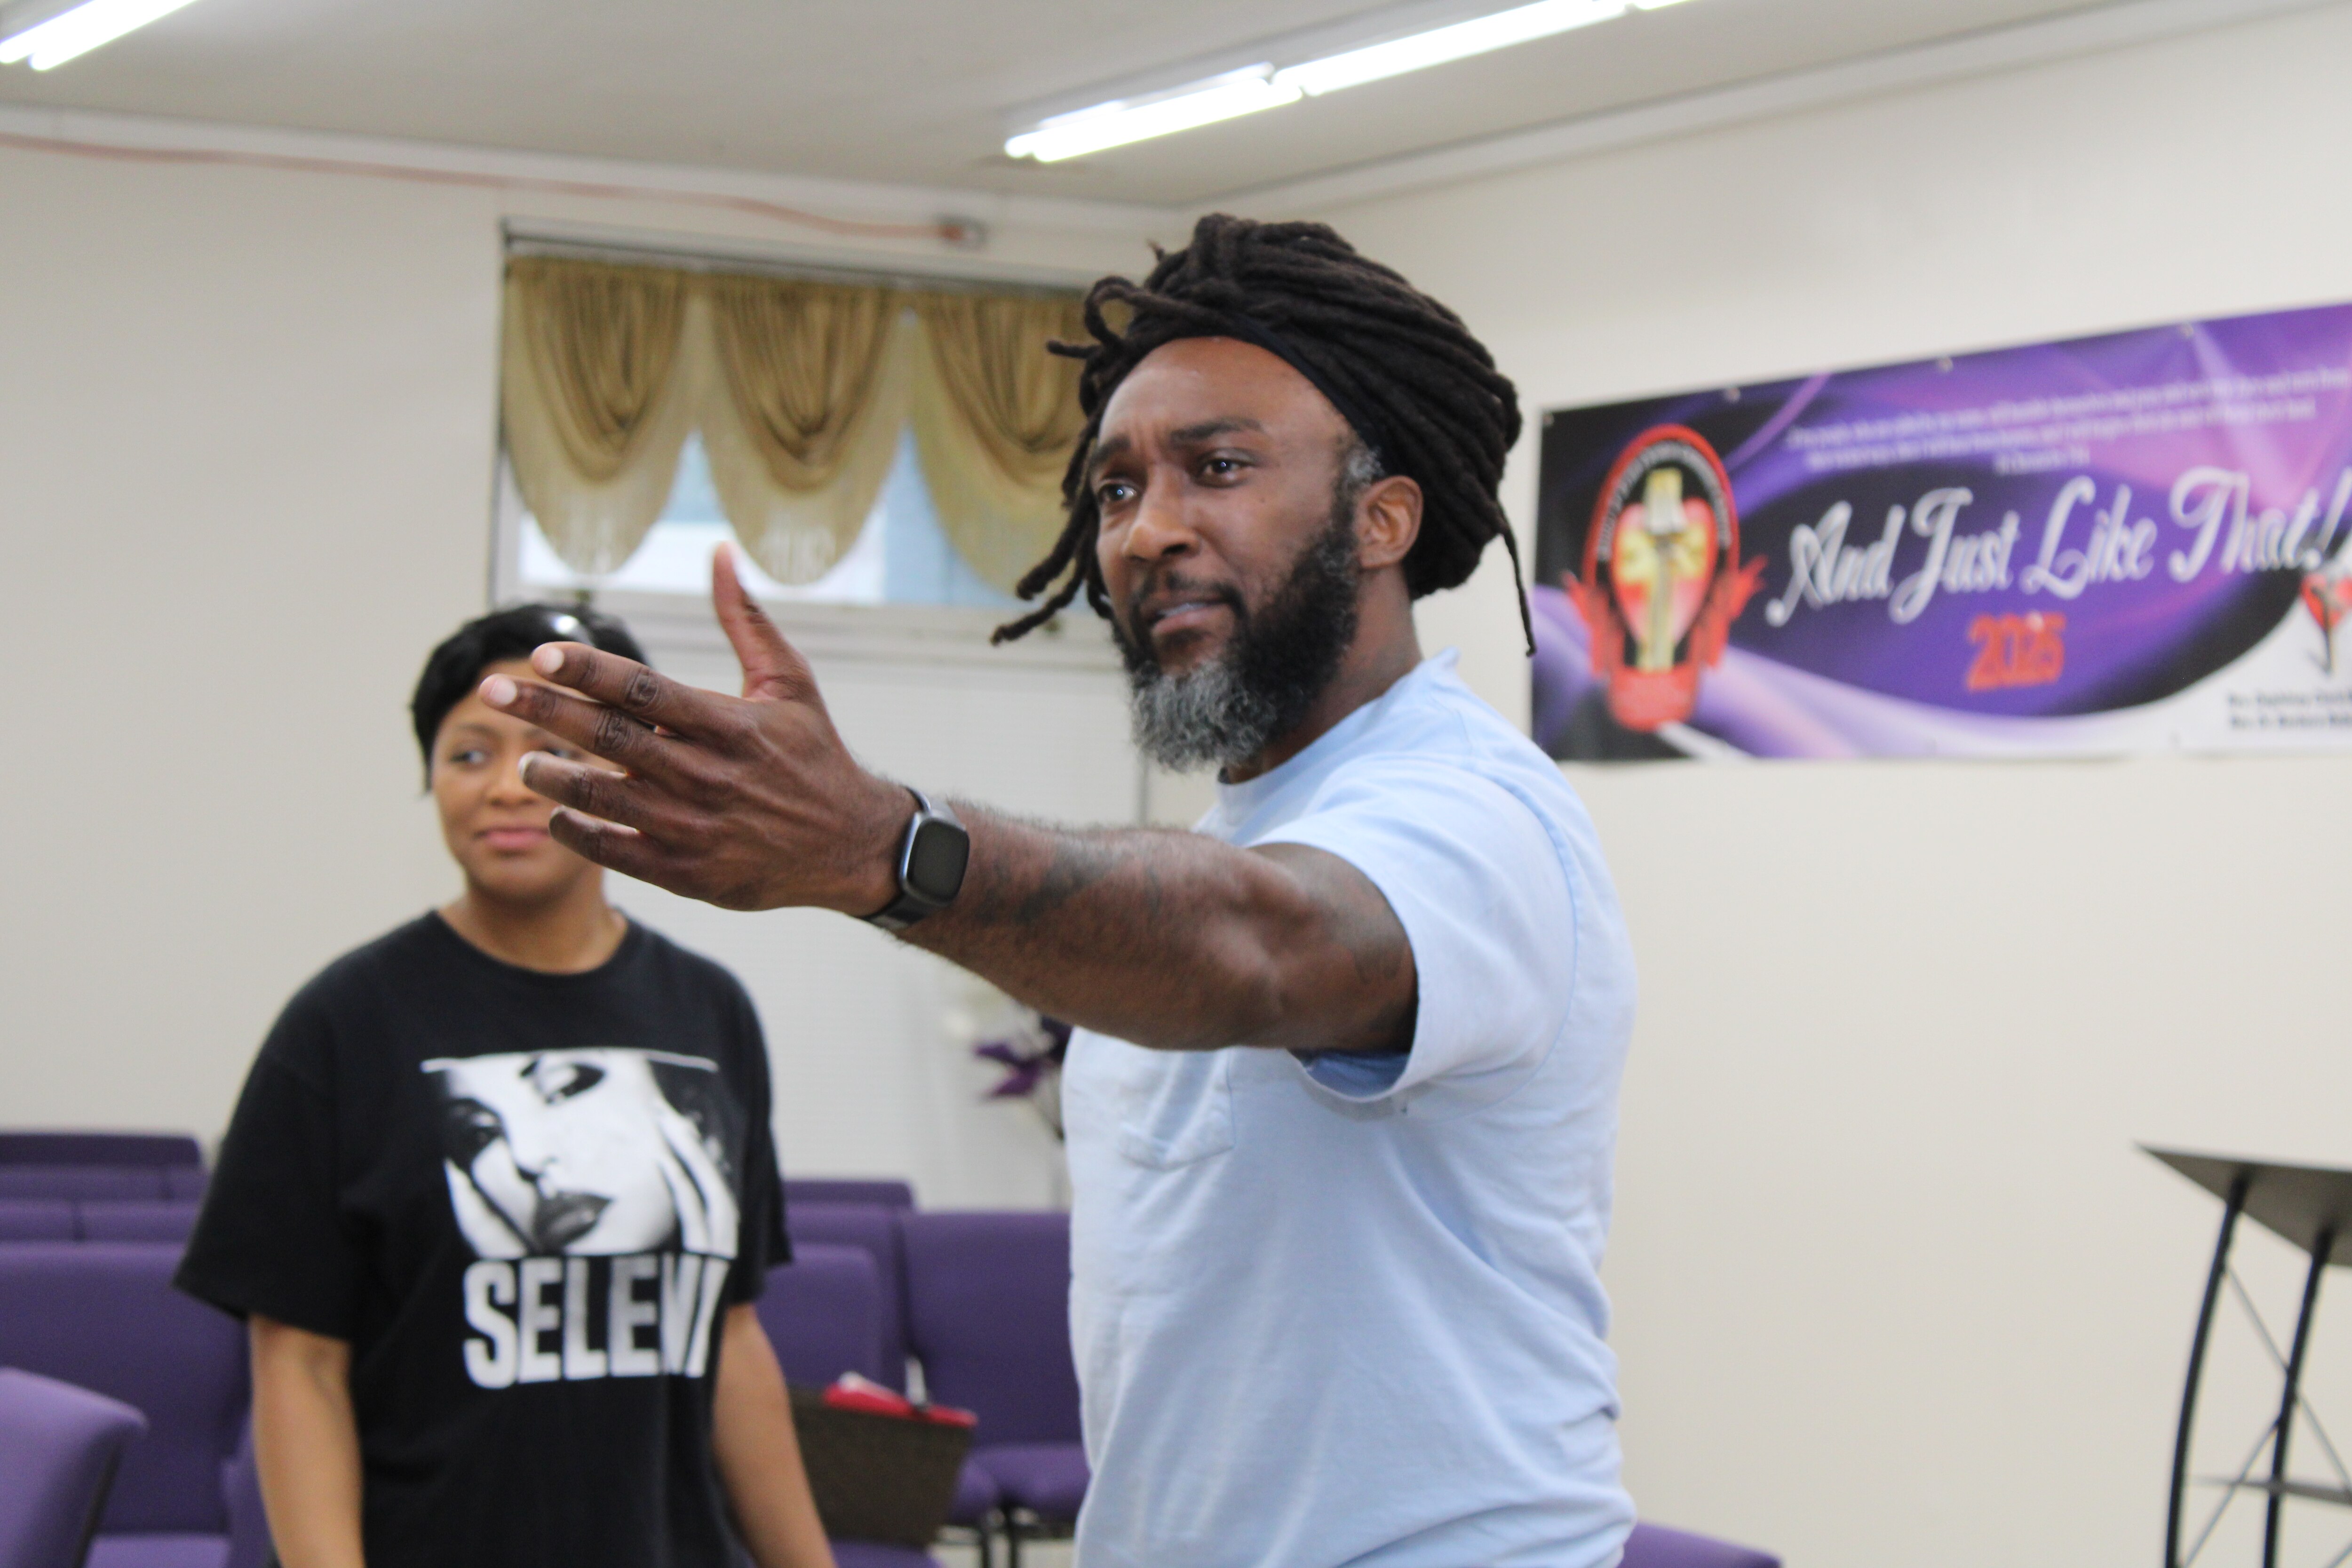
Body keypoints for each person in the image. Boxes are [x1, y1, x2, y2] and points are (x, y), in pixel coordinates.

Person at [485, 215, 1637, 1568]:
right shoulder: (1253, 827)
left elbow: (1262, 948)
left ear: (1382, 517)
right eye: (1114, 490)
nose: (1149, 530)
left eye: (1218, 467)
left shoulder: (1478, 814)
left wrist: (887, 848)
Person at [175, 604, 834, 1568]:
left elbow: (730, 1337)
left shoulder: (708, 1012)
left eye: (547, 745)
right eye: (468, 754)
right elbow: (299, 1364)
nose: (506, 787)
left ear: (629, 771)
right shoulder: (341, 1024)